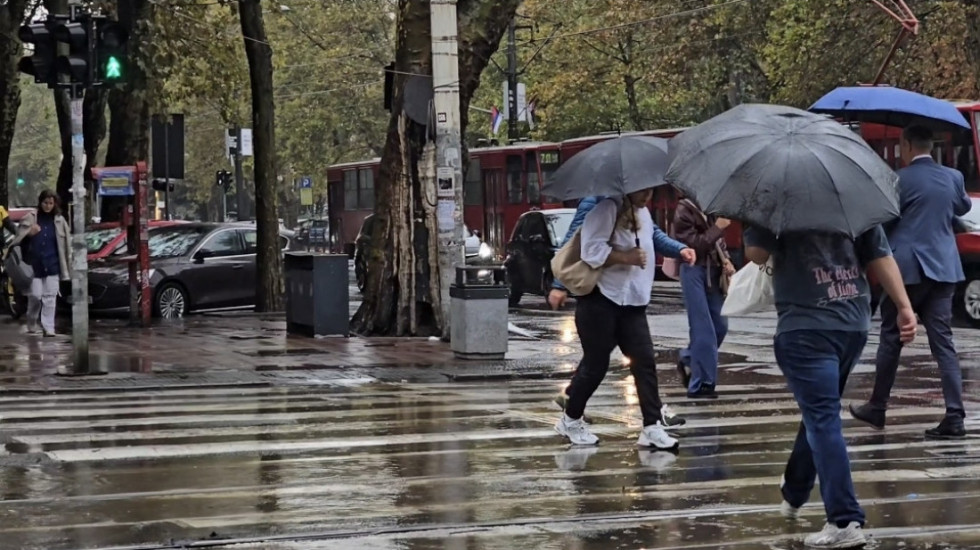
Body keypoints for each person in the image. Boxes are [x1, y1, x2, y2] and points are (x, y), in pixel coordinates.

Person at [743, 224, 916, 549]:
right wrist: (904, 306)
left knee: (822, 416)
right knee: (820, 410)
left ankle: (844, 519)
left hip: (805, 326)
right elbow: (880, 254)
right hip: (852, 323)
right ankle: (795, 489)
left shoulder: (776, 199)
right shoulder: (851, 192)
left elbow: (756, 254)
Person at [850, 126, 970, 439]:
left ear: (905, 145)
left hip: (905, 271)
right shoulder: (953, 177)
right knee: (943, 342)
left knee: (891, 336)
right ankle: (955, 414)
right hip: (944, 268)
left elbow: (883, 220)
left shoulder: (898, 180)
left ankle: (878, 406)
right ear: (931, 145)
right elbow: (962, 208)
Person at [555, 190, 695, 449]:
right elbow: (589, 250)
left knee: (645, 363)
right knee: (596, 365)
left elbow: (655, 236)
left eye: (651, 190)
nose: (647, 196)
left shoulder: (642, 211)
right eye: (642, 191)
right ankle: (571, 419)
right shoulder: (605, 208)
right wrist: (624, 257)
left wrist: (680, 250)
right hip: (601, 300)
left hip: (633, 302)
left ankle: (652, 427)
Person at [672, 194, 735, 398]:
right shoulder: (684, 209)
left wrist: (726, 259)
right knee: (702, 329)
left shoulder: (712, 207)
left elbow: (719, 242)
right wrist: (718, 227)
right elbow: (694, 245)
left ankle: (689, 356)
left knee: (720, 325)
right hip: (693, 270)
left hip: (714, 271)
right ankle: (702, 384)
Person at [11, 190, 72, 337]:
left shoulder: (59, 220)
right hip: (34, 265)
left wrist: (67, 263)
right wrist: (29, 234)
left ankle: (48, 327)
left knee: (50, 297)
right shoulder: (30, 218)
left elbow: (66, 244)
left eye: (51, 203)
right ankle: (31, 321)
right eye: (45, 203)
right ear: (40, 202)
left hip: (52, 263)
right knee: (36, 296)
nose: (48, 206)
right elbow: (17, 241)